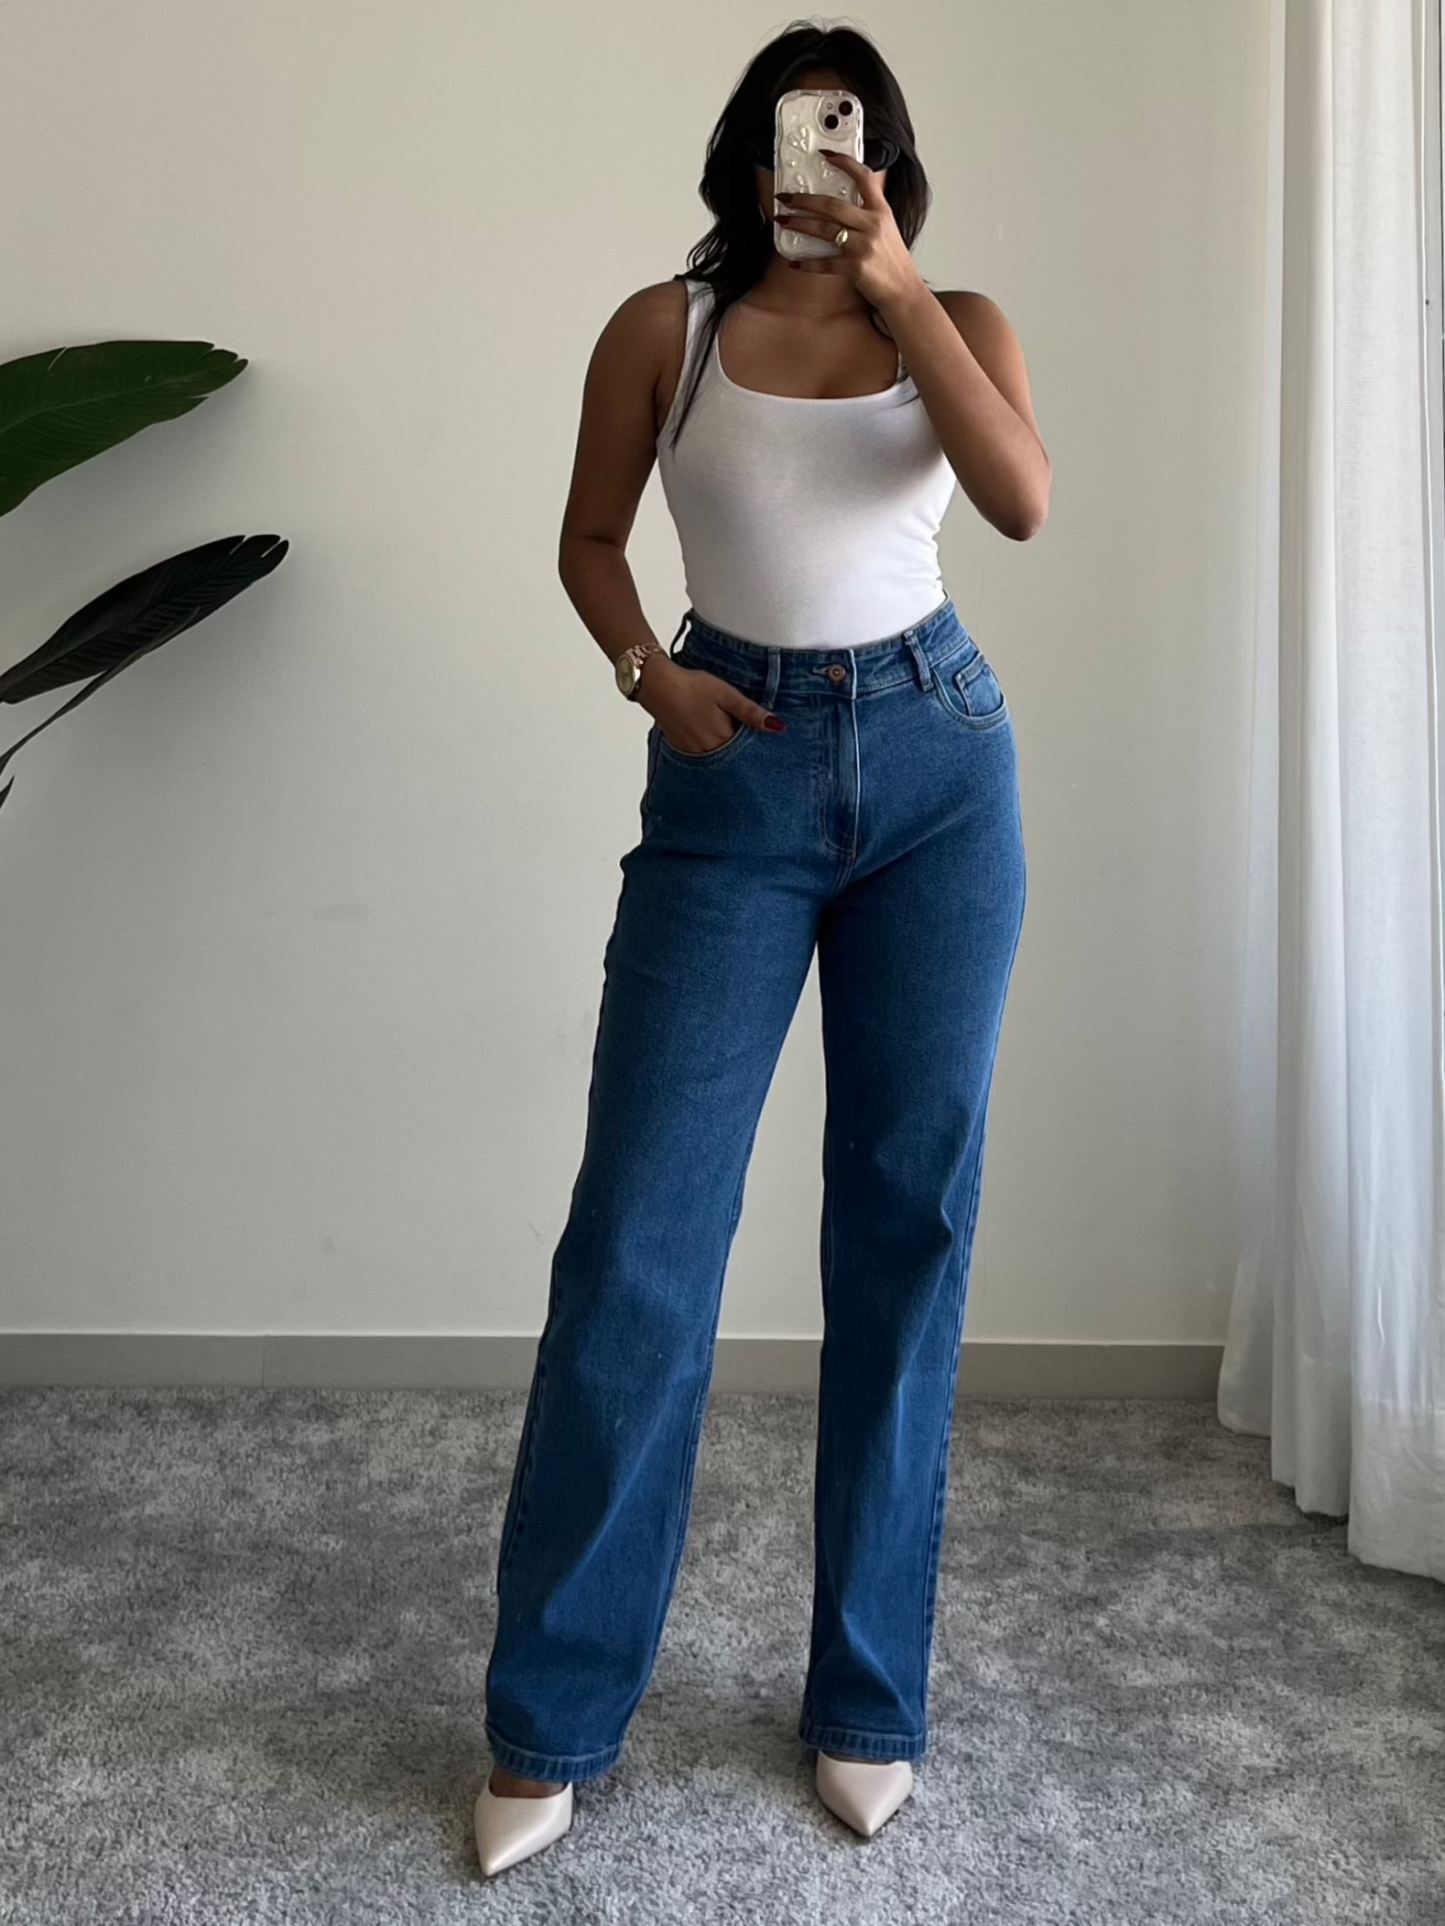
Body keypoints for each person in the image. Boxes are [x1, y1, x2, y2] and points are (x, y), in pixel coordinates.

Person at [475, 21, 1048, 1878]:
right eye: (801, 132)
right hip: (734, 770)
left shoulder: (954, 315)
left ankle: (868, 1697)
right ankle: (551, 1719)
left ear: (887, 155)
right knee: (639, 1242)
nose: (824, 159)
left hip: (940, 768)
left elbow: (1022, 498)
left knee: (904, 1225)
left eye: (852, 134)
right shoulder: (668, 329)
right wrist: (651, 675)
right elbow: (590, 539)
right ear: (750, 150)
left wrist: (900, 287)